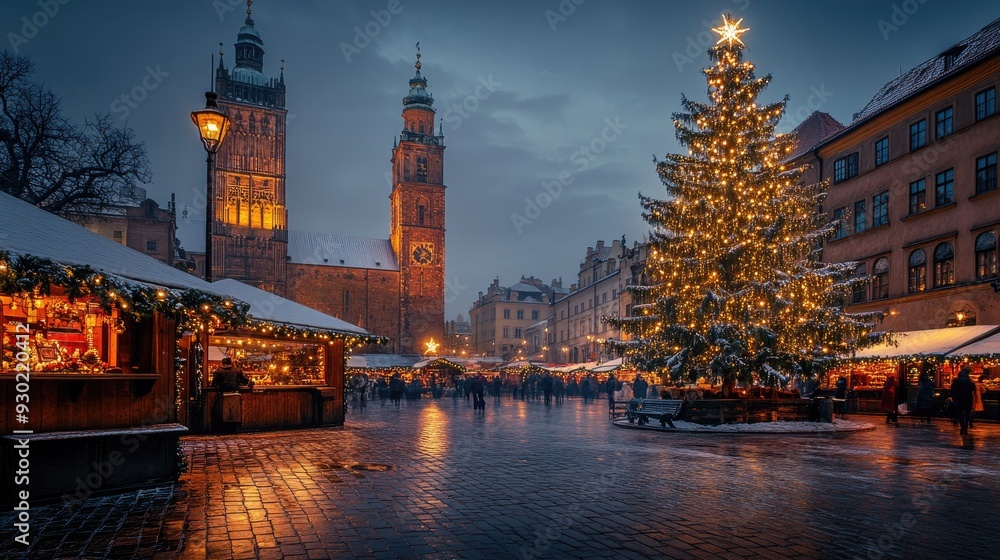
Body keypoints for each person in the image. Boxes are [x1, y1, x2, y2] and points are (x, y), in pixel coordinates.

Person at [211, 356, 252, 433]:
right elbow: (245, 381)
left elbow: (214, 382)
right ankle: (233, 429)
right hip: (235, 394)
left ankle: (224, 429)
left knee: (225, 413)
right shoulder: (237, 370)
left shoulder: (218, 371)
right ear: (231, 363)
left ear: (222, 363)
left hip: (224, 394)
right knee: (235, 414)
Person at [950, 368, 975, 435]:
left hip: (959, 399)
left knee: (960, 413)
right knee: (967, 415)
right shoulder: (970, 382)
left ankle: (962, 427)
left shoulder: (956, 381)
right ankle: (966, 428)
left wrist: (954, 397)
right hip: (968, 399)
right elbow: (973, 390)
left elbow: (952, 390)